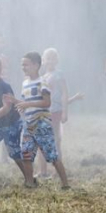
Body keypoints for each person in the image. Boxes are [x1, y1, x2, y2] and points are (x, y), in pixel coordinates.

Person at [16, 52, 70, 189]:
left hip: (42, 124)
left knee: (52, 155)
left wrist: (28, 105)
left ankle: (65, 184)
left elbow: (47, 103)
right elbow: (26, 101)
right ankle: (29, 183)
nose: (23, 67)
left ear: (36, 65)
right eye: (22, 64)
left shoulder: (42, 82)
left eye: (26, 64)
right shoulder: (24, 83)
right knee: (26, 154)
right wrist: (19, 105)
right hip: (29, 124)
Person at [36, 48, 83, 178]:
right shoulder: (41, 77)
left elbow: (64, 93)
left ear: (57, 60)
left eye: (53, 58)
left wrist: (64, 113)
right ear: (43, 61)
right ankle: (42, 171)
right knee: (41, 141)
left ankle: (57, 171)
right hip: (43, 113)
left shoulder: (59, 74)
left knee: (55, 141)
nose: (50, 60)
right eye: (47, 58)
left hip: (55, 111)